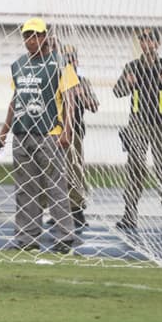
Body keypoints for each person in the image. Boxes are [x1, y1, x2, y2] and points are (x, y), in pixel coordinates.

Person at [0, 17, 79, 253]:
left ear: (44, 37)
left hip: (49, 133)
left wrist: (67, 130)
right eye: (26, 35)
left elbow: (70, 99)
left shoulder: (60, 63)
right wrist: (4, 132)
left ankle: (65, 237)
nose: (30, 40)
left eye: (35, 35)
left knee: (55, 187)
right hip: (22, 132)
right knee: (25, 189)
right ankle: (26, 238)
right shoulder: (18, 65)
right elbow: (15, 100)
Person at [113, 27, 162, 231]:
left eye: (150, 40)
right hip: (138, 123)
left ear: (157, 43)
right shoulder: (132, 67)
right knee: (135, 167)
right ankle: (130, 214)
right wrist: (127, 83)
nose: (146, 43)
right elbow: (117, 92)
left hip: (161, 124)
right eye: (142, 40)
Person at [61, 45, 99, 233]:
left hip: (74, 131)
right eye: (66, 60)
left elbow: (94, 105)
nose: (69, 63)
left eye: (71, 60)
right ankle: (59, 211)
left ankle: (76, 211)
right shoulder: (56, 79)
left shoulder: (82, 82)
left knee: (74, 171)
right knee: (55, 173)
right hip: (54, 130)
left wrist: (82, 96)